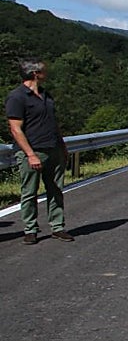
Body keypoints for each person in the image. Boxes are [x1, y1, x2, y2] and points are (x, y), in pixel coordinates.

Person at [5, 59, 72, 244]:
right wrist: (30, 154)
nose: (46, 71)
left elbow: (54, 123)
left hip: (53, 149)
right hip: (32, 151)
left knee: (55, 189)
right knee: (29, 192)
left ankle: (57, 227)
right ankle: (30, 229)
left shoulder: (45, 95)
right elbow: (15, 129)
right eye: (43, 69)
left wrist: (62, 147)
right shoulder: (17, 97)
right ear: (35, 73)